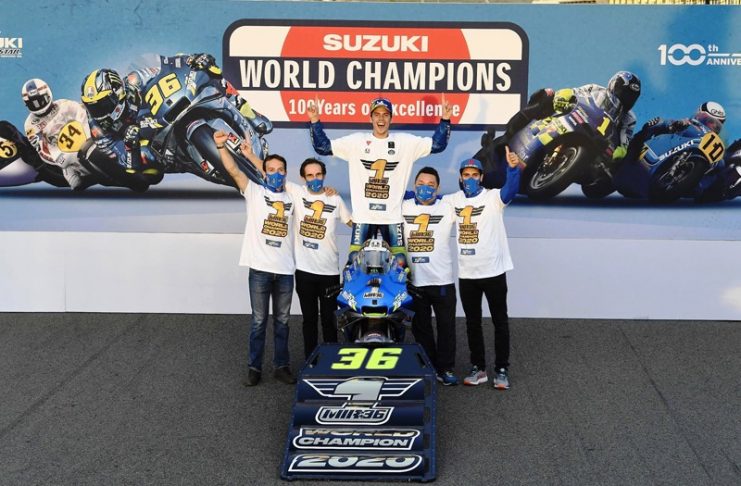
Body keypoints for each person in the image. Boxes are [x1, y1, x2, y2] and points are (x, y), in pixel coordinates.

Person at [307, 95, 452, 269]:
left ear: (391, 118)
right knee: (354, 262)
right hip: (363, 218)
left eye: (385, 114)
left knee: (400, 265)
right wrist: (314, 120)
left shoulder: (405, 142)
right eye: (377, 114)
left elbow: (437, 145)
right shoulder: (356, 141)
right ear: (370, 118)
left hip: (392, 218)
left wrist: (445, 119)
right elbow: (323, 147)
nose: (381, 119)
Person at [213, 130, 297, 387]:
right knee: (259, 322)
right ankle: (254, 367)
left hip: (285, 271)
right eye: (270, 170)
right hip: (259, 270)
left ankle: (281, 366)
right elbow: (233, 170)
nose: (275, 174)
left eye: (280, 170)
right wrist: (221, 147)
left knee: (283, 322)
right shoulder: (255, 192)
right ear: (264, 173)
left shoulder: (293, 197)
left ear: (286, 173)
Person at [444, 146, 524, 390]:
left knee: (500, 321)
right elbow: (427, 202)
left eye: (474, 175)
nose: (470, 179)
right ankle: (478, 368)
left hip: (494, 272)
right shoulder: (453, 200)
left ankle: (502, 369)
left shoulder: (493, 198)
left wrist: (513, 169)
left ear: (481, 177)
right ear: (460, 178)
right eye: (466, 175)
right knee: (472, 323)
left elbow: (511, 190)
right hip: (467, 274)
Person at [477, 71, 641, 188]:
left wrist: (619, 151)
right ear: (613, 85)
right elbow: (575, 93)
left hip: (599, 142)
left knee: (609, 172)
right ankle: (509, 135)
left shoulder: (629, 118)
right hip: (577, 118)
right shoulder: (595, 89)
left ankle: (572, 173)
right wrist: (562, 96)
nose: (626, 97)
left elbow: (624, 140)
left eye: (630, 96)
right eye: (623, 92)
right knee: (546, 94)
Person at [285, 158, 352, 359]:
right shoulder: (297, 193)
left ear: (324, 175)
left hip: (329, 272)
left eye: (318, 174)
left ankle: (331, 361)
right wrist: (248, 154)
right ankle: (311, 361)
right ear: (303, 178)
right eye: (310, 175)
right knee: (309, 320)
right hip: (304, 271)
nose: (315, 179)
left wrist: (379, 227)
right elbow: (267, 172)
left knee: (330, 320)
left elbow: (352, 223)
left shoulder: (335, 199)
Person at [401, 166, 458, 385]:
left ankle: (446, 368)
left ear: (438, 188)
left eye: (430, 185)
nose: (425, 188)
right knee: (421, 328)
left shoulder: (447, 206)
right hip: (416, 282)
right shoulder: (403, 206)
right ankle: (430, 366)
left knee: (446, 328)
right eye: (421, 184)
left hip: (442, 280)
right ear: (414, 186)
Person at [21, 78, 97, 190]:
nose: (38, 105)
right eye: (33, 104)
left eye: (41, 100)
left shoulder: (63, 104)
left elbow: (83, 114)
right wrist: (59, 159)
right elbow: (42, 149)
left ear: (48, 94)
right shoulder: (30, 125)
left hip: (86, 138)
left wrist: (90, 133)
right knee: (75, 182)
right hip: (64, 153)